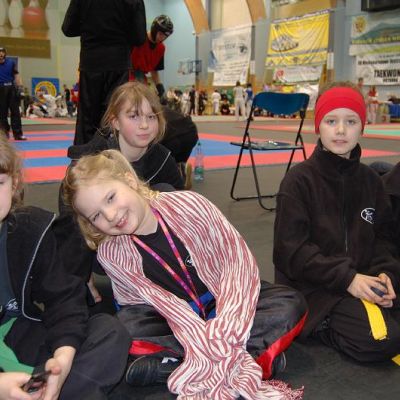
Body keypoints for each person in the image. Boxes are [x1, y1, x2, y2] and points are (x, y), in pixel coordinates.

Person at [63, 148, 307, 398]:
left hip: (222, 299)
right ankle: (250, 357)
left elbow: (236, 263)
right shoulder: (112, 253)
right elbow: (133, 308)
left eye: (111, 198)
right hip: (174, 321)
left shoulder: (189, 204)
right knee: (124, 329)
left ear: (129, 181)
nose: (111, 215)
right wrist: (192, 327)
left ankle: (188, 364)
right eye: (97, 216)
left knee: (290, 303)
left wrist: (226, 319)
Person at [273, 81, 400, 363]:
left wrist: (385, 275)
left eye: (350, 121)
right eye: (331, 121)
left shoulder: (371, 181)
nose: (341, 130)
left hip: (362, 280)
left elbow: (384, 240)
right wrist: (347, 279)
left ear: (362, 127)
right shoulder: (298, 181)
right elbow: (290, 252)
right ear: (318, 126)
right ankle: (319, 326)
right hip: (316, 289)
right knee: (383, 339)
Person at [0, 134, 130, 399]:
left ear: (14, 183)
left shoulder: (29, 230)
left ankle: (47, 390)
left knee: (109, 331)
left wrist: (63, 359)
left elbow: (63, 298)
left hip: (20, 337)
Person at [54, 81, 185, 304]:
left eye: (151, 116)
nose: (144, 125)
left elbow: (181, 213)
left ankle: (166, 273)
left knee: (167, 193)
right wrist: (80, 274)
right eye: (133, 116)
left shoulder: (164, 160)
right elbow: (70, 220)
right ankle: (80, 281)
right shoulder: (91, 160)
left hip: (144, 240)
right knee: (77, 214)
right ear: (115, 121)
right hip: (102, 241)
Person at [62, 0, 147, 145]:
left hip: (91, 62)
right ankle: (112, 155)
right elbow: (139, 37)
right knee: (113, 117)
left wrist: (90, 27)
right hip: (118, 63)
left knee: (87, 119)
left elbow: (68, 29)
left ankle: (83, 157)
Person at [130, 15, 174, 99]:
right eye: (160, 34)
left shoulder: (161, 48)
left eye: (165, 36)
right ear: (154, 29)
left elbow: (154, 70)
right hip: (127, 74)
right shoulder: (139, 38)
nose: (162, 38)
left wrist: (160, 89)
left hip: (141, 78)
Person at [0, 47, 26, 141]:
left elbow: (16, 75)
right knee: (2, 113)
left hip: (11, 88)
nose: (0, 54)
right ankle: (4, 135)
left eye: (2, 52)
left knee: (15, 112)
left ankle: (18, 134)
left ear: (5, 54)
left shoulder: (11, 63)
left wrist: (20, 88)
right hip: (0, 89)